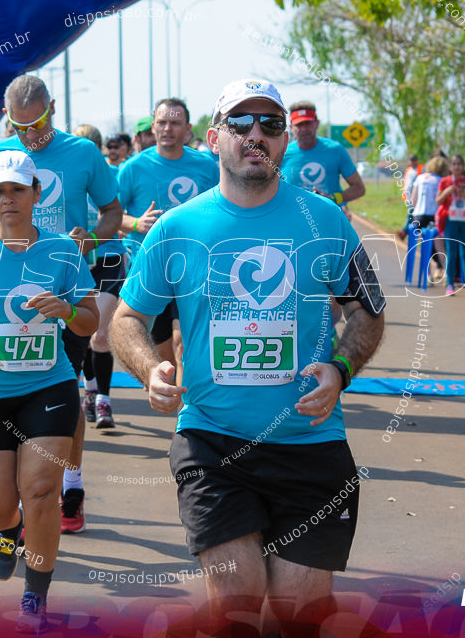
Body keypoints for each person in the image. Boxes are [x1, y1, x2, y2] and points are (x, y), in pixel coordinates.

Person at [111, 79, 386, 633]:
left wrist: (341, 368)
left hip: (311, 445)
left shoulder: (327, 221)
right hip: (213, 443)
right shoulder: (176, 228)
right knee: (237, 604)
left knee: (299, 615)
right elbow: (125, 321)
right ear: (214, 138)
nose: (255, 134)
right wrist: (150, 369)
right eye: (240, 123)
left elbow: (369, 312)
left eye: (270, 124)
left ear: (287, 141)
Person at [0, 150, 98, 632]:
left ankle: (36, 595)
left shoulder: (63, 251)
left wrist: (67, 311)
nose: (8, 199)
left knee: (40, 490)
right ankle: (8, 532)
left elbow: (92, 321)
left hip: (47, 385)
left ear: (36, 194)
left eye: (17, 189)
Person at [0, 74, 124, 532]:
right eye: (18, 126)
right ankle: (21, 488)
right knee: (13, 387)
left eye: (37, 123)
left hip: (64, 287)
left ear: (54, 108)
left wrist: (93, 238)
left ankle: (72, 486)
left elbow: (113, 212)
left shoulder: (82, 153)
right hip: (7, 292)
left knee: (63, 390)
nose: (29, 135)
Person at [118, 98, 218, 387]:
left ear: (187, 129)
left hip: (195, 269)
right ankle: (175, 402)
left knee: (183, 345)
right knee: (165, 358)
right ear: (153, 126)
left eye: (175, 123)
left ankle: (187, 419)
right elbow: (111, 215)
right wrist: (136, 223)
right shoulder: (133, 168)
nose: (168, 128)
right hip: (151, 272)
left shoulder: (205, 166)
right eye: (162, 122)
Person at [279, 102, 365, 211]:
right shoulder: (283, 153)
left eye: (308, 123)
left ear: (317, 124)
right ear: (291, 127)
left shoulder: (335, 150)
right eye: (299, 124)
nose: (304, 129)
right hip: (294, 221)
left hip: (329, 220)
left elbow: (359, 188)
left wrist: (333, 199)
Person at [436, 154, 465, 296]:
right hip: (451, 220)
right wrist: (447, 192)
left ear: (463, 166)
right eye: (454, 164)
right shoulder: (445, 181)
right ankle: (450, 284)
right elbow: (438, 201)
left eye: (459, 164)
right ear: (450, 167)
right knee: (452, 252)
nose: (457, 167)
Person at [409, 156, 447, 280]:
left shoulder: (419, 178)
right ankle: (446, 271)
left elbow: (413, 200)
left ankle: (427, 273)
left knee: (424, 245)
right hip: (433, 215)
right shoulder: (440, 180)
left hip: (418, 216)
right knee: (439, 244)